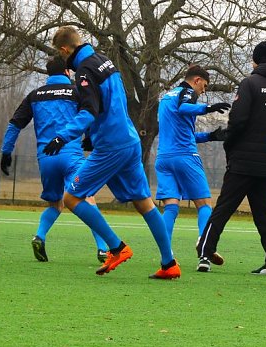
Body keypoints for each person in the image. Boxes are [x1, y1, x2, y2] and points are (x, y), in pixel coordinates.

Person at [45, 25, 179, 279]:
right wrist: (91, 136)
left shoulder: (83, 71)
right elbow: (111, 102)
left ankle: (117, 247)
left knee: (72, 198)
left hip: (111, 146)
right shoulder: (104, 60)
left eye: (61, 55)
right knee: (144, 202)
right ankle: (169, 262)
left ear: (65, 49)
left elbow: (88, 111)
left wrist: (63, 137)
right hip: (128, 140)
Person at [0, 56, 108, 262]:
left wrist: (6, 151)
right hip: (71, 156)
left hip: (46, 159)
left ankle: (39, 236)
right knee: (87, 198)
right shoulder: (76, 92)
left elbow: (15, 124)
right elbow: (91, 115)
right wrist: (91, 138)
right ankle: (103, 248)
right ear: (68, 72)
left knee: (55, 205)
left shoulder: (35, 95)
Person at [195, 40, 266, 275]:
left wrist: (230, 145)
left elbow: (238, 119)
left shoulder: (250, 83)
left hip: (243, 159)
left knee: (223, 208)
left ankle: (205, 252)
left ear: (255, 60)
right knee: (265, 213)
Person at [155, 65, 229, 256]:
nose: (203, 91)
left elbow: (183, 133)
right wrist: (209, 107)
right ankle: (203, 244)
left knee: (171, 206)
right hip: (185, 157)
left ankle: (166, 254)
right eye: (204, 86)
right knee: (204, 203)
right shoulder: (187, 93)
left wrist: (211, 136)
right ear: (196, 80)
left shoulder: (166, 97)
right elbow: (183, 107)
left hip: (163, 159)